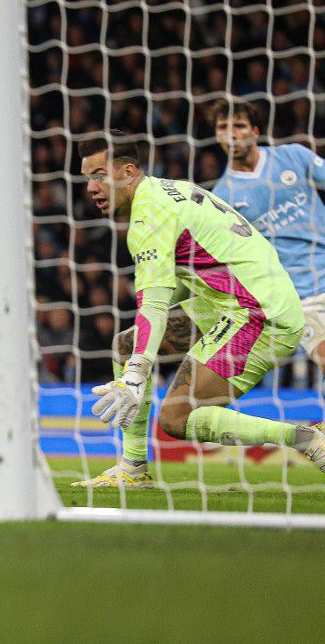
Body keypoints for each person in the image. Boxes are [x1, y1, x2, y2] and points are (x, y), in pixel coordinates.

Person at [72, 130, 325, 489]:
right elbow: (180, 281)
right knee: (126, 346)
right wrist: (139, 357)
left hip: (257, 314)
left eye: (99, 175)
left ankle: (308, 439)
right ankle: (132, 468)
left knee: (175, 419)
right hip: (235, 300)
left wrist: (135, 376)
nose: (91, 187)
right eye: (87, 178)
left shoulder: (149, 218)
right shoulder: (165, 190)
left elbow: (154, 305)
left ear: (128, 172)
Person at [210, 99, 325, 368]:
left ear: (255, 131)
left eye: (239, 125)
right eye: (223, 127)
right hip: (302, 297)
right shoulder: (221, 200)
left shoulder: (294, 156)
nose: (231, 133)